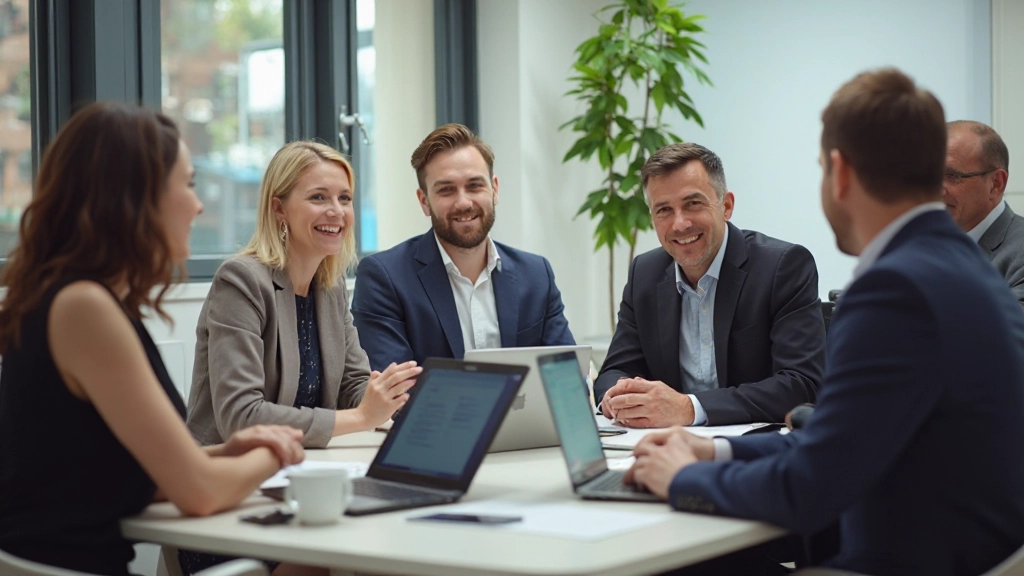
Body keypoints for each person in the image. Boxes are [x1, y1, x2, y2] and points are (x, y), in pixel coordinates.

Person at [626, 69, 1024, 576]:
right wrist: (713, 449)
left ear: (839, 172)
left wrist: (680, 478)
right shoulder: (959, 266)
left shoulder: (893, 289)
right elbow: (842, 439)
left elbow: (809, 488)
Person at [0, 102, 305, 575]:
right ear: (136, 196)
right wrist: (275, 454)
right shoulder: (85, 308)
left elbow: (104, 469)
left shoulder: (69, 299)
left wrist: (225, 452)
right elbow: (199, 493)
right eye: (187, 184)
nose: (199, 204)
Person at [186, 141, 421, 450]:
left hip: (301, 462)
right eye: (318, 197)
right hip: (225, 469)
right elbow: (240, 417)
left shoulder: (330, 285)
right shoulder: (240, 281)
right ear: (278, 208)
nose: (336, 211)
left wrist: (398, 396)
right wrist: (363, 417)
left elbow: (353, 386)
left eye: (345, 198)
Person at [595, 143, 825, 427]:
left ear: (726, 206)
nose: (680, 224)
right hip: (664, 446)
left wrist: (689, 408)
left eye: (693, 203)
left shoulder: (782, 267)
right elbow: (616, 369)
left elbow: (801, 384)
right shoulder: (645, 273)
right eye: (664, 210)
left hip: (753, 450)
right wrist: (618, 396)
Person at [351, 123, 575, 370]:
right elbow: (394, 394)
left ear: (495, 189)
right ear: (424, 201)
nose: (463, 202)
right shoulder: (384, 279)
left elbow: (566, 380)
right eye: (446, 190)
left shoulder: (536, 274)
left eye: (475, 185)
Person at [943, 120, 1024, 307]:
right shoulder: (923, 247)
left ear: (996, 184)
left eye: (951, 176)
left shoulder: (1019, 255)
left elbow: (1010, 334)